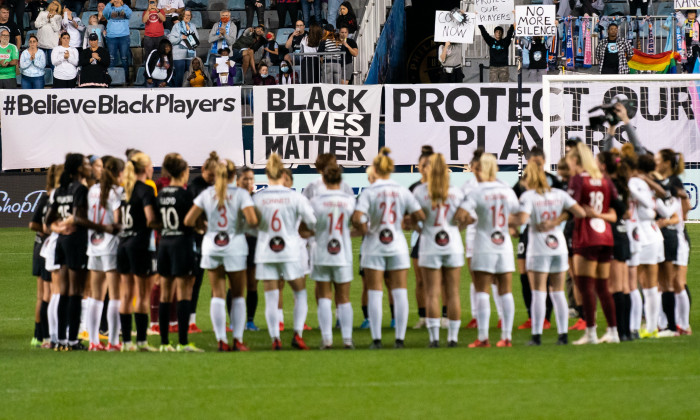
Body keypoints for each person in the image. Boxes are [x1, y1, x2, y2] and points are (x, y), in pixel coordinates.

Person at [352, 148, 426, 349]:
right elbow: (420, 215)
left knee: (375, 292)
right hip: (397, 244)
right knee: (400, 290)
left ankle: (376, 339)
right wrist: (408, 223)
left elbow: (357, 217)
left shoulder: (369, 192)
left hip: (374, 243)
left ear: (375, 169)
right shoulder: (402, 190)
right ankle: (399, 339)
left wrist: (365, 227)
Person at [45, 154, 114, 351]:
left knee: (65, 292)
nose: (88, 166)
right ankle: (72, 340)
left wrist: (59, 229)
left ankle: (59, 339)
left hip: (62, 242)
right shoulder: (81, 189)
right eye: (84, 164)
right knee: (75, 292)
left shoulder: (60, 190)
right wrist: (104, 227)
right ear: (77, 169)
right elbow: (79, 218)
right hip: (76, 242)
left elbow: (49, 219)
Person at [516, 162, 585, 346]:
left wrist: (504, 217)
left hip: (539, 248)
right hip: (558, 246)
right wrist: (556, 221)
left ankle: (537, 336)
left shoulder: (529, 196)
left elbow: (521, 219)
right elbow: (579, 212)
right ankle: (563, 335)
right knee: (558, 291)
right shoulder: (559, 194)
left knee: (538, 292)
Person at [455, 153, 519, 348]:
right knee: (505, 290)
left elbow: (460, 215)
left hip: (483, 243)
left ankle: (483, 338)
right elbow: (519, 215)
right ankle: (506, 337)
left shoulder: (477, 192)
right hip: (504, 244)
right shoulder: (507, 189)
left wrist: (469, 221)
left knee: (482, 290)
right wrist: (508, 225)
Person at [254, 154, 316, 351]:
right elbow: (312, 221)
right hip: (290, 251)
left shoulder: (258, 198)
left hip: (266, 251)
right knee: (300, 292)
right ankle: (297, 334)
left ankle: (275, 338)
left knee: (271, 297)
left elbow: (249, 224)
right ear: (283, 174)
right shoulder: (295, 197)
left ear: (266, 174)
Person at [565, 143, 619, 345]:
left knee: (585, 286)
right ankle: (613, 331)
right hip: (605, 235)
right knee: (603, 287)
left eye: (570, 160)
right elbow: (615, 208)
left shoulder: (579, 179)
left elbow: (572, 206)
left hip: (586, 236)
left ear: (576, 161)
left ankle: (591, 332)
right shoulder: (604, 180)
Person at [413, 153, 465, 347]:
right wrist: (455, 229)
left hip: (429, 243)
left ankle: (434, 339)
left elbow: (410, 219)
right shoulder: (456, 192)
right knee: (452, 292)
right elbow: (469, 217)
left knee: (432, 293)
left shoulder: (419, 192)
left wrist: (422, 229)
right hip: (452, 243)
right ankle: (453, 338)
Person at [153, 155, 202, 353]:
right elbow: (191, 220)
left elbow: (155, 221)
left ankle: (165, 343)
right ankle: (182, 342)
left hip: (164, 244)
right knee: (183, 292)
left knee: (165, 293)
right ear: (183, 173)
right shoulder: (185, 194)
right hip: (181, 243)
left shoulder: (162, 194)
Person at [304, 164, 356, 349]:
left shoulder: (315, 202)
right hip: (342, 252)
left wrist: (314, 235)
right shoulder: (349, 201)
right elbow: (360, 224)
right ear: (340, 180)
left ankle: (327, 340)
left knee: (324, 295)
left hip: (321, 252)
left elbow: (304, 228)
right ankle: (347, 340)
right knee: (344, 297)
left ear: (324, 180)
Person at [117, 151, 158, 352]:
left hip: (122, 245)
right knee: (142, 295)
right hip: (140, 245)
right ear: (145, 168)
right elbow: (150, 218)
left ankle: (125, 342)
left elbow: (116, 221)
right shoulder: (145, 190)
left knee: (126, 294)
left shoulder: (124, 190)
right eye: (150, 165)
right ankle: (141, 341)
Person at [84, 157, 123, 351]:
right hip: (110, 247)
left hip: (93, 245)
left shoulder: (92, 190)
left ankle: (93, 341)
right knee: (115, 296)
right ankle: (114, 342)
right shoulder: (117, 192)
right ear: (118, 173)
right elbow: (117, 222)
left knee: (95, 296)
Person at [186, 152, 219, 334]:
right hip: (197, 239)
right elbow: (191, 211)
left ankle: (217, 321)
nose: (213, 179)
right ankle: (190, 320)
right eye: (211, 175)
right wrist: (201, 224)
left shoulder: (217, 187)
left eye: (216, 176)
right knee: (195, 281)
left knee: (217, 281)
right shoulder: (195, 186)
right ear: (204, 169)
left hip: (215, 239)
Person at [28, 167, 56, 349]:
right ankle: (48, 336)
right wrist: (48, 230)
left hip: (39, 247)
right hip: (47, 249)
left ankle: (38, 336)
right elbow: (36, 225)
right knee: (50, 295)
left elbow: (32, 224)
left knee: (42, 296)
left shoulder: (45, 198)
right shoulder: (53, 199)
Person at [406, 146, 432, 330]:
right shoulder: (414, 188)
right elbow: (406, 217)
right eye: (423, 164)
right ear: (418, 166)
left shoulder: (444, 186)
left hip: (439, 239)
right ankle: (423, 317)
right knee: (420, 280)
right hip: (419, 238)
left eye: (429, 164)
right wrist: (417, 227)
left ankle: (445, 315)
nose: (426, 168)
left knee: (443, 280)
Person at [168, 8, 199, 87]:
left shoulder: (193, 26)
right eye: (185, 15)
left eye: (189, 15)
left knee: (190, 76)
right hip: (178, 55)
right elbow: (171, 40)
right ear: (182, 16)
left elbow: (197, 41)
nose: (187, 17)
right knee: (179, 77)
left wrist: (190, 35)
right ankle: (178, 94)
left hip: (190, 56)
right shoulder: (176, 26)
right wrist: (180, 37)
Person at [104, 0, 133, 80]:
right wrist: (110, 2)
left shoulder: (125, 8)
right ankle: (110, 80)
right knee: (111, 58)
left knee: (124, 58)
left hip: (123, 36)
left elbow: (130, 14)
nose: (116, 1)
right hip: (111, 37)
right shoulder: (110, 9)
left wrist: (123, 4)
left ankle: (126, 80)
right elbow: (105, 13)